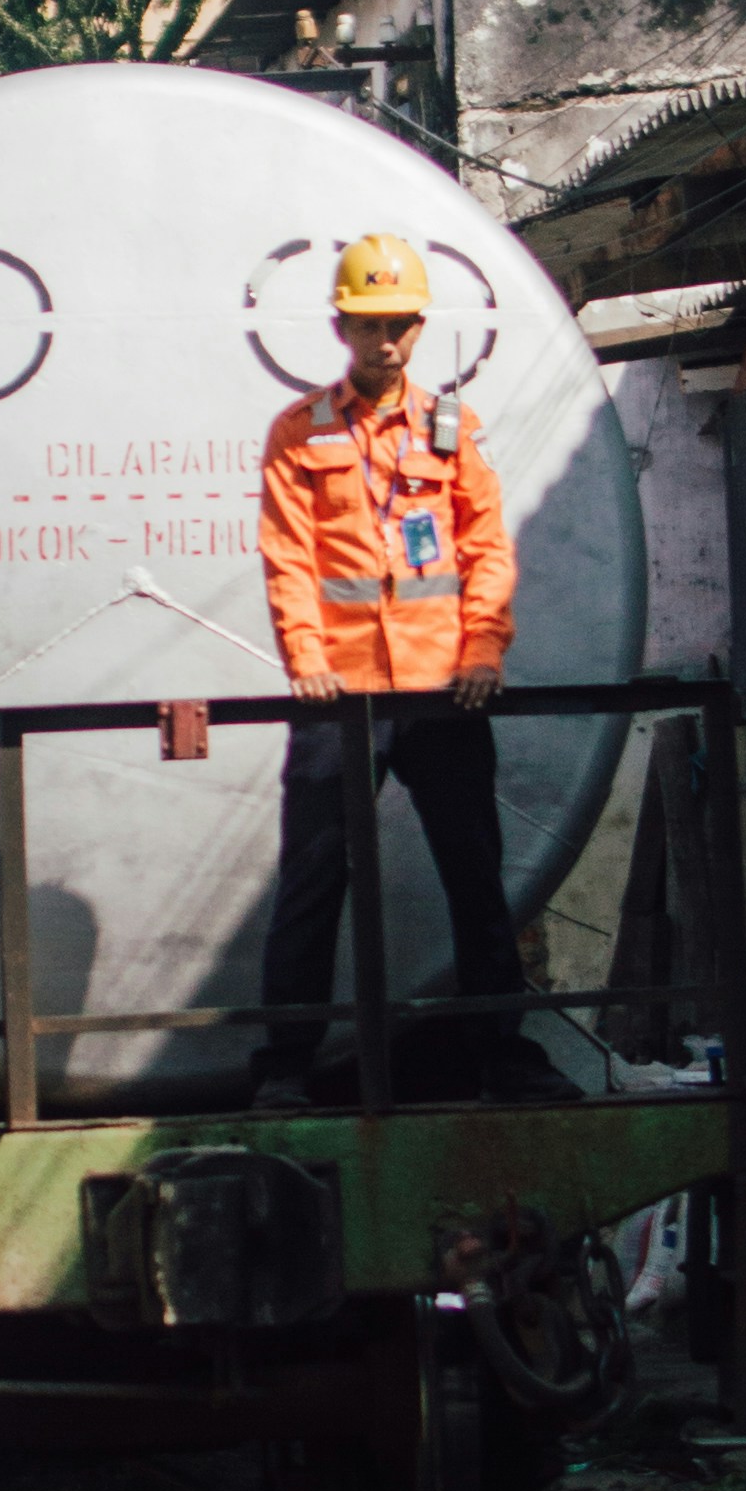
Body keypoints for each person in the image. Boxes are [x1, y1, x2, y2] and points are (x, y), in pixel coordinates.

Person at [253, 232, 537, 1107]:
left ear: (418, 328)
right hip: (341, 691)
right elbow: (288, 558)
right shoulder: (300, 434)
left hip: (441, 685)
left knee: (473, 869)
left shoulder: (453, 430)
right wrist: (305, 660)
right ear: (342, 325)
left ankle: (502, 1056)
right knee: (312, 878)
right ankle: (285, 1069)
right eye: (371, 324)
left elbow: (486, 550)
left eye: (402, 325)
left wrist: (483, 649)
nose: (388, 342)